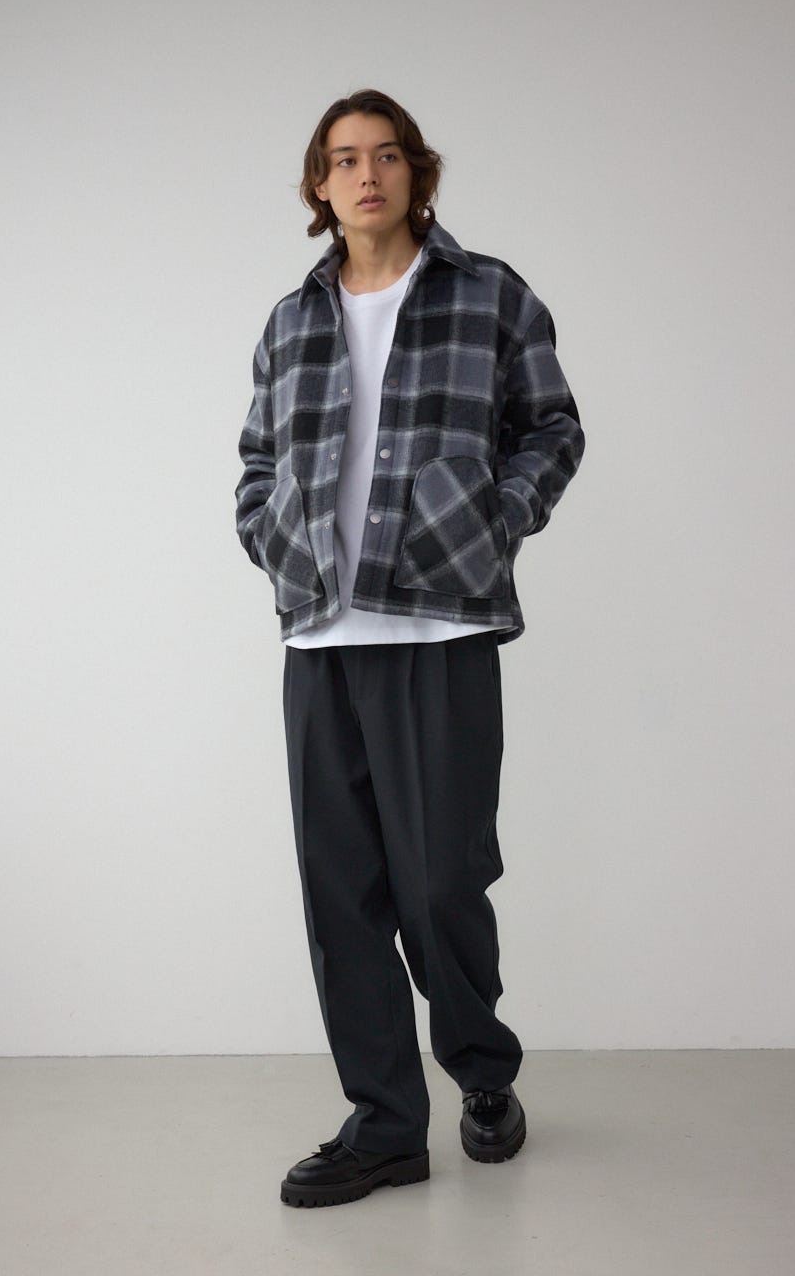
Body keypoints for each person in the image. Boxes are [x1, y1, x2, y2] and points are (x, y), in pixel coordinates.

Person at [234, 88, 586, 1209]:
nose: (366, 174)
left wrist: (495, 517)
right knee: (340, 893)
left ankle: (482, 1073)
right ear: (320, 184)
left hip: (440, 622)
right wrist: (273, 538)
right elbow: (255, 461)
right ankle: (385, 1124)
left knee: (439, 883)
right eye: (344, 159)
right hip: (321, 633)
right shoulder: (289, 322)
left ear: (415, 173)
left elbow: (552, 426)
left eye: (385, 155)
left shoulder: (488, 294)